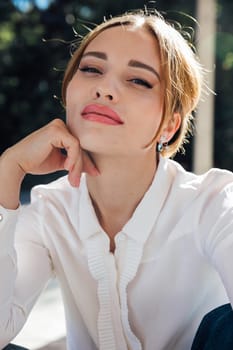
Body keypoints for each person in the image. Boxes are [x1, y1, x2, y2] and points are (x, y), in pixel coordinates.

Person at [0, 6, 233, 350]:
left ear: (170, 125)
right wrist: (7, 171)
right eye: (92, 69)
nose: (105, 89)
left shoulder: (213, 202)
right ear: (68, 93)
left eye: (138, 80)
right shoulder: (50, 211)